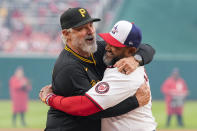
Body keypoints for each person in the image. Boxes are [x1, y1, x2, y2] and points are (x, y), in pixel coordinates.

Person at [42, 7, 155, 131]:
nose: (90, 31)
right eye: (82, 28)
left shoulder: (100, 50)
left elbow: (146, 48)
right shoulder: (68, 67)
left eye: (91, 25)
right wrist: (135, 102)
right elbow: (91, 110)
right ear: (66, 34)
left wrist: (136, 59)